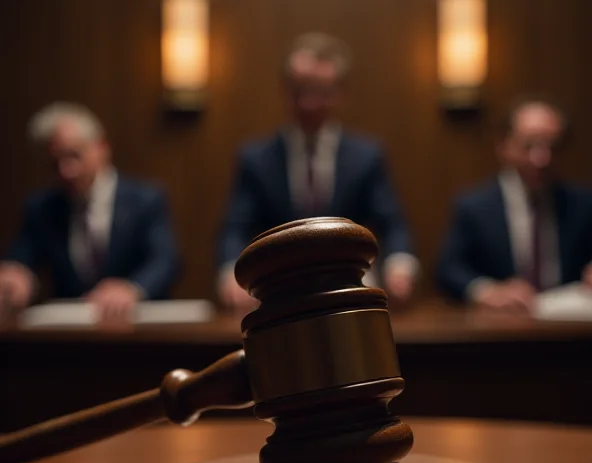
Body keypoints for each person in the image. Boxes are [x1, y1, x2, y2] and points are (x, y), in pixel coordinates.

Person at [217, 32, 418, 309]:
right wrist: (231, 274)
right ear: (284, 89)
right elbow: (234, 228)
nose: (307, 104)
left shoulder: (367, 156)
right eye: (299, 91)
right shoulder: (255, 159)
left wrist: (400, 265)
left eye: (320, 93)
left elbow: (392, 222)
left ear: (342, 93)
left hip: (351, 292)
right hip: (275, 294)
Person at [0, 102, 180, 320]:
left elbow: (165, 260)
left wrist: (133, 288)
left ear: (102, 147)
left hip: (137, 328)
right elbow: (21, 257)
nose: (66, 171)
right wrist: (16, 274)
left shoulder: (146, 199)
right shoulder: (42, 208)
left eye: (74, 156)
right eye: (55, 162)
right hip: (71, 336)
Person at [436, 97, 592, 312]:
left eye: (552, 146)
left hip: (567, 327)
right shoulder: (474, 207)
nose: (542, 158)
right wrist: (487, 291)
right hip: (502, 329)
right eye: (529, 145)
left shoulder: (583, 204)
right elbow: (448, 270)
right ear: (504, 145)